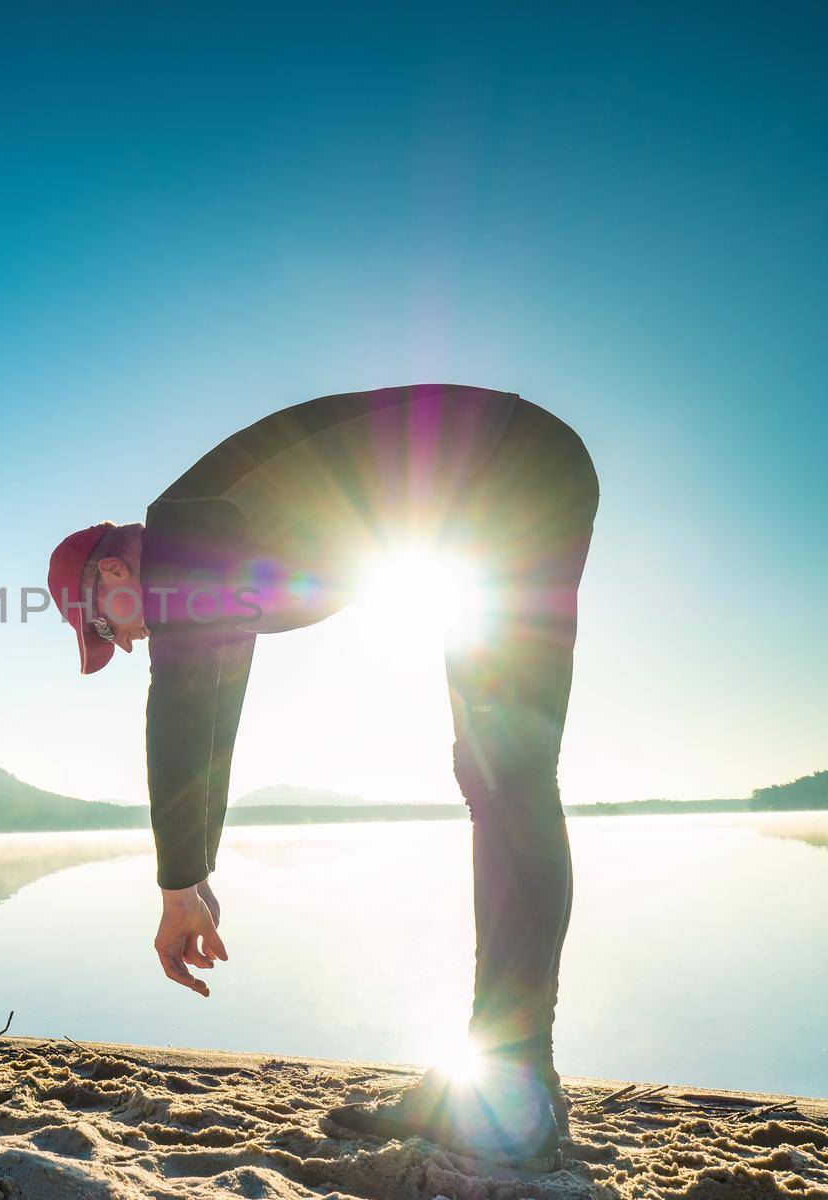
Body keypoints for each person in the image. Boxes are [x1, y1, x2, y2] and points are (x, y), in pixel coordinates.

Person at [46, 383, 599, 1165]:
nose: (125, 641)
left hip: (505, 471)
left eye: (105, 625)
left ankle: (517, 1094)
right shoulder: (212, 550)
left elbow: (177, 705)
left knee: (505, 770)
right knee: (498, 771)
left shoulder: (182, 523)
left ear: (111, 570)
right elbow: (209, 715)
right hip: (505, 480)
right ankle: (508, 1082)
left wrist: (175, 886)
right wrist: (194, 871)